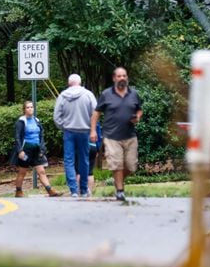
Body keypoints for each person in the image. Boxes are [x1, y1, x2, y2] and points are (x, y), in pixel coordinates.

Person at [90, 67, 143, 202]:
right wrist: (93, 130)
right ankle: (120, 191)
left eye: (124, 76)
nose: (122, 78)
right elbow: (96, 113)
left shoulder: (134, 94)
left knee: (131, 166)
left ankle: (117, 180)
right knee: (117, 164)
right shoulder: (106, 94)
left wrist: (137, 118)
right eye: (119, 76)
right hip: (111, 135)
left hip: (130, 135)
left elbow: (139, 110)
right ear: (114, 78)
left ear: (127, 78)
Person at [54, 74, 97, 198]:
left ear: (69, 83)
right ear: (80, 82)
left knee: (69, 160)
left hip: (69, 132)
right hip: (84, 131)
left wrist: (64, 126)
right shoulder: (88, 95)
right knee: (84, 160)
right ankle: (83, 189)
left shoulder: (62, 96)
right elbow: (95, 113)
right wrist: (91, 128)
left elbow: (56, 117)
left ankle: (73, 189)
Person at [10, 100, 62, 198]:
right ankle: (18, 191)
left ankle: (50, 190)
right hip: (26, 150)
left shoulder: (36, 120)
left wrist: (42, 149)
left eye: (31, 107)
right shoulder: (21, 121)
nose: (30, 109)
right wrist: (20, 151)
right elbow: (17, 137)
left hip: (36, 150)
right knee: (22, 172)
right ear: (24, 109)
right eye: (28, 107)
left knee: (41, 171)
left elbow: (41, 135)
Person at [78, 120, 102, 197]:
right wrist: (97, 149)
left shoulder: (80, 118)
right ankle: (90, 192)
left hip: (82, 146)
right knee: (90, 171)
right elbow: (99, 136)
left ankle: (79, 192)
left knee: (78, 170)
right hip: (93, 146)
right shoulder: (96, 121)